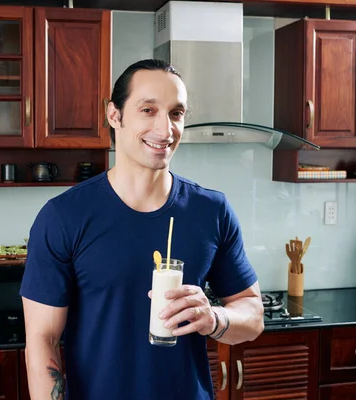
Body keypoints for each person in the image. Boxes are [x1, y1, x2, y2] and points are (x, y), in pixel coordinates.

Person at [20, 59, 264, 400]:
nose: (165, 130)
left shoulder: (212, 211)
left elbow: (253, 315)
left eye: (176, 113)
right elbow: (42, 340)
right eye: (148, 110)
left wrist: (213, 318)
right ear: (115, 116)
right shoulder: (64, 216)